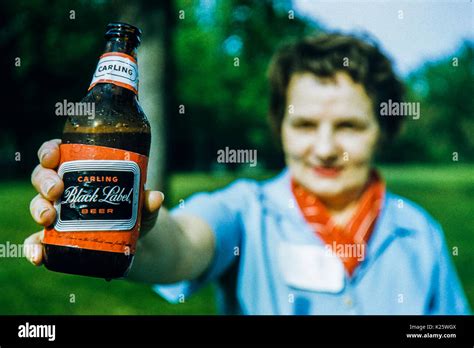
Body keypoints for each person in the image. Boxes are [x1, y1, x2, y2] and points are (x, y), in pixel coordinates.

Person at [25, 33, 470, 315]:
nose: (326, 147)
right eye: (304, 124)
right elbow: (182, 245)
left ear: (385, 128)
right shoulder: (245, 210)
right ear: (280, 128)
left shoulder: (420, 235)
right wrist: (134, 231)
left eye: (349, 126)